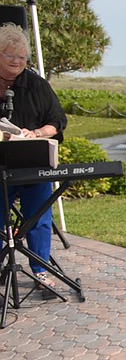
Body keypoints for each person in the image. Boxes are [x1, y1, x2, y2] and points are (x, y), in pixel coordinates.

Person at [0, 22, 67, 291]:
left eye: (22, 57)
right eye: (9, 55)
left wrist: (38, 132)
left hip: (33, 165)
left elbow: (57, 121)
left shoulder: (37, 85)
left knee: (39, 217)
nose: (17, 61)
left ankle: (40, 270)